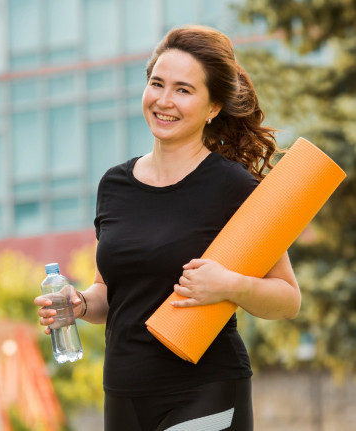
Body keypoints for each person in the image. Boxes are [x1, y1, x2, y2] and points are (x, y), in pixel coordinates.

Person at [35, 25, 301, 431]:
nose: (164, 100)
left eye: (183, 90)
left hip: (204, 388)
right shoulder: (114, 185)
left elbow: (287, 298)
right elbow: (110, 291)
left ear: (213, 107)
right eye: (157, 84)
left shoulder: (233, 186)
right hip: (123, 392)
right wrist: (80, 304)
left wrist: (231, 285)